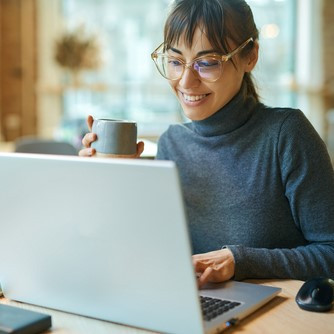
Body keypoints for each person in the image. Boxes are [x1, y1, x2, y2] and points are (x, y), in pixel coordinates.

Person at [80, 0, 334, 286]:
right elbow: (155, 253)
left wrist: (240, 261)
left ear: (250, 56)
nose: (186, 81)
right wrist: (114, 184)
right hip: (200, 307)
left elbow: (330, 252)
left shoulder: (286, 135)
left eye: (207, 63)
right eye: (175, 62)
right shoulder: (172, 145)